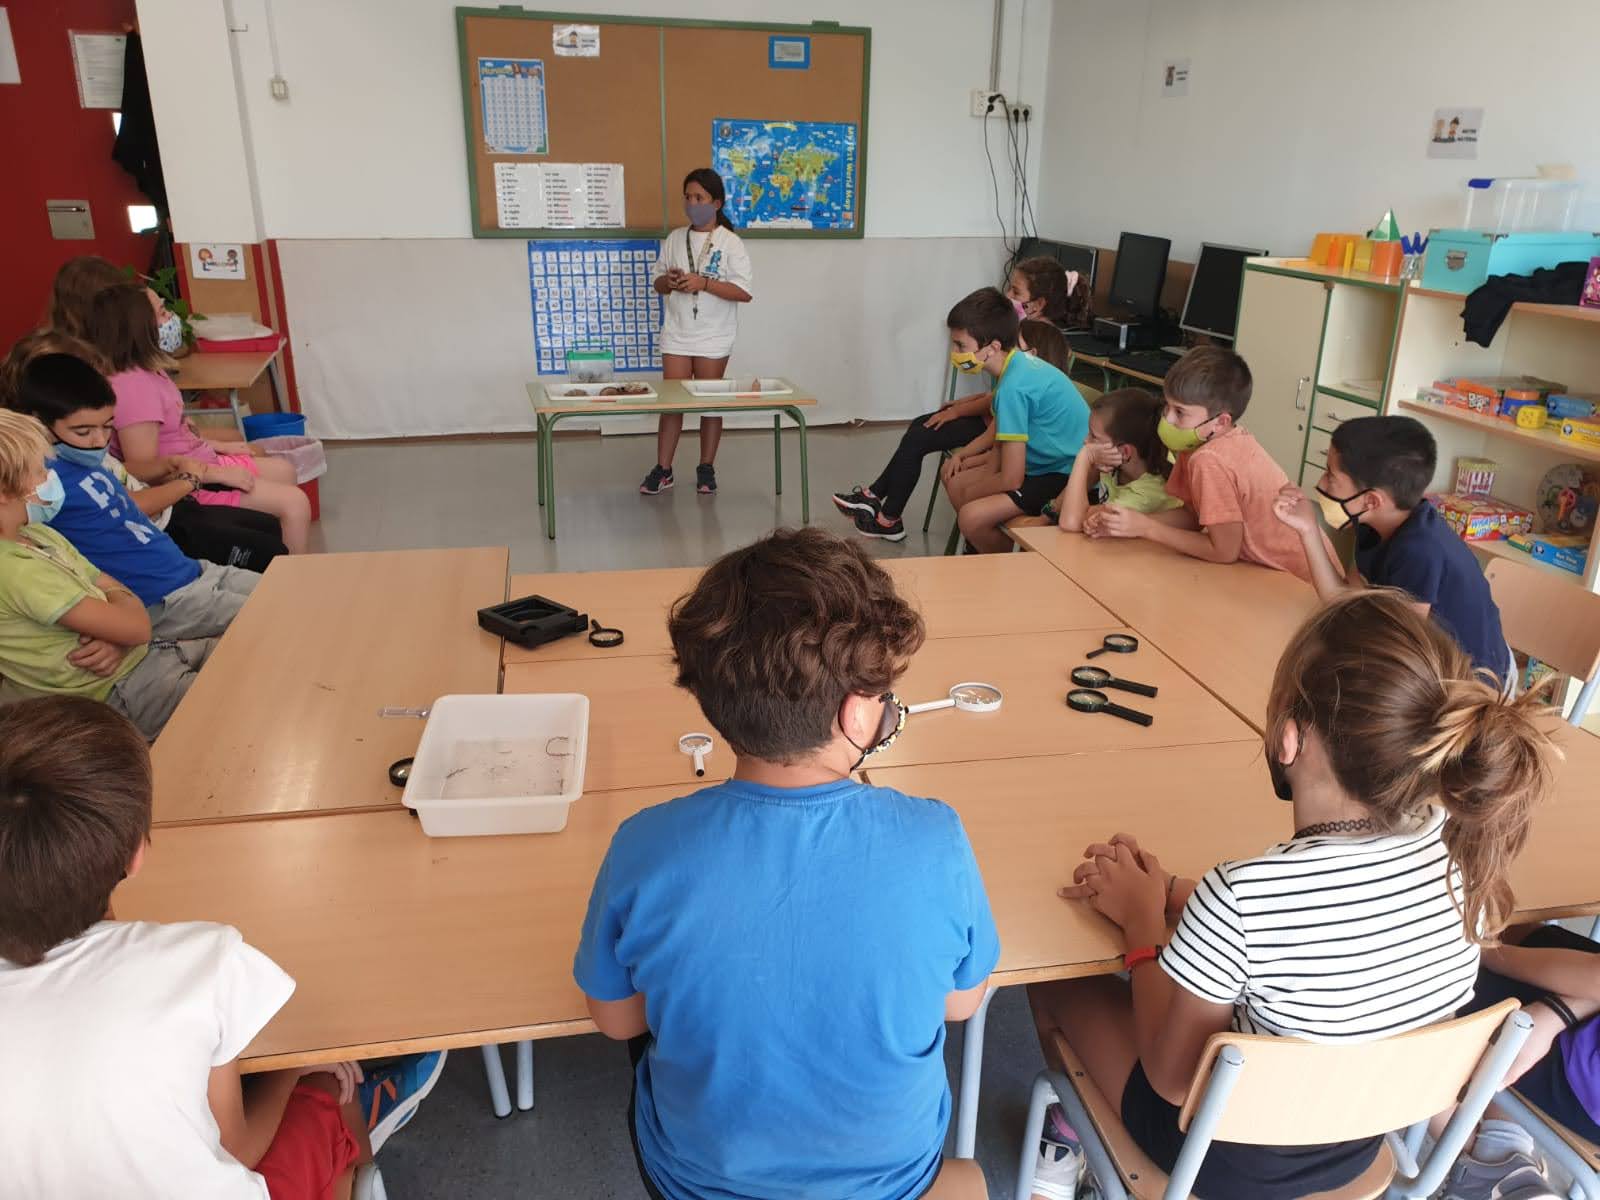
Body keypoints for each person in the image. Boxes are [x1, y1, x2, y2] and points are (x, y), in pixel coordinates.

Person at [1024, 590, 1555, 1200]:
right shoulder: (1463, 853)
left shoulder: (1240, 897)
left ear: (1289, 740)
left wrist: (1142, 927)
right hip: (1360, 1137)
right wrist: (1172, 893)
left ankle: (1066, 1143)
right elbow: (1329, 920)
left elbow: (1171, 1080)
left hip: (1222, 1158)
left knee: (1058, 976)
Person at [573, 527, 999, 1200]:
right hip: (892, 1184)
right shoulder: (935, 837)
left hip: (696, 1183)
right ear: (857, 715)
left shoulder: (643, 844)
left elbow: (617, 1021)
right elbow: (961, 1002)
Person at [0, 695, 447, 1198]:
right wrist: (291, 1070)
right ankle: (362, 1153)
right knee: (327, 1077)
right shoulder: (204, 961)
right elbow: (237, 1148)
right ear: (136, 854)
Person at [13, 353, 260, 641]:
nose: (100, 441)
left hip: (191, 571)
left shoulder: (86, 460)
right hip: (163, 601)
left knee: (287, 592)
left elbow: (127, 506)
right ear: (39, 423)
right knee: (277, 616)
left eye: (107, 426)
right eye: (83, 431)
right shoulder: (40, 482)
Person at [1, 330, 287, 572]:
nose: (99, 439)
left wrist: (170, 464)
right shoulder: (54, 462)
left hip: (166, 515)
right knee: (269, 551)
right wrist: (188, 481)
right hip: (156, 530)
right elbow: (128, 505)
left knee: (268, 529)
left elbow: (122, 471)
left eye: (106, 427)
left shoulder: (81, 439)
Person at [0, 410, 208, 739]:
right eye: (40, 470)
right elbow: (136, 625)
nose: (51, 476)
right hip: (119, 691)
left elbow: (114, 594)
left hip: (142, 656)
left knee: (252, 653)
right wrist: (122, 621)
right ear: (4, 491)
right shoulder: (16, 571)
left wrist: (120, 630)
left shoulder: (38, 533)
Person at [1273, 415, 1509, 684]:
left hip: (1473, 685)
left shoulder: (1420, 552)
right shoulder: (1372, 523)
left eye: (1331, 476)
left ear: (1371, 501)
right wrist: (1308, 529)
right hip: (1421, 663)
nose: (1321, 483)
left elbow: (1399, 650)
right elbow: (1342, 600)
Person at [83, 283, 312, 554]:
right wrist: (216, 473)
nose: (171, 318)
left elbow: (175, 435)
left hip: (199, 466)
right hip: (187, 486)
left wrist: (217, 448)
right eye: (162, 312)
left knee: (284, 471)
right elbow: (145, 470)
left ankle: (271, 546)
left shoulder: (147, 371)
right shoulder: (134, 387)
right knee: (295, 504)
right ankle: (286, 571)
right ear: (139, 328)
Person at [1084, 347, 1335, 583]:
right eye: (1167, 406)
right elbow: (1193, 517)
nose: (1167, 418)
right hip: (1275, 574)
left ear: (1220, 422)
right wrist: (1131, 522)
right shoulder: (1199, 444)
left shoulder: (1210, 459)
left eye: (1180, 412)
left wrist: (1147, 528)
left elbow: (1224, 551)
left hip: (1298, 582)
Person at [834, 317, 1071, 542]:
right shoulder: (1019, 374)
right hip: (997, 432)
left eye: (960, 345)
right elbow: (993, 402)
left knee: (920, 437)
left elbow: (1001, 443)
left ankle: (887, 516)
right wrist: (959, 409)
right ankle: (876, 499)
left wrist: (960, 423)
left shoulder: (1021, 381)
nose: (955, 352)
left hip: (1001, 438)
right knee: (919, 428)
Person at [1442, 926, 1600, 1199]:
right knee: (1530, 937)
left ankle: (1490, 1166)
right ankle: (1496, 1164)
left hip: (1583, 1069)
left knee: (1440, 988)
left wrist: (1493, 956)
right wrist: (1559, 1012)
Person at [939, 289, 1089, 552]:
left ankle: (1005, 563)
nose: (955, 353)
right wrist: (972, 482)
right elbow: (1000, 445)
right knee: (956, 481)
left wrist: (970, 495)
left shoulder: (1013, 387)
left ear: (993, 348)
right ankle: (981, 549)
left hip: (1064, 474)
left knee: (971, 515)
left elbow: (1011, 479)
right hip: (1042, 464)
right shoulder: (1015, 365)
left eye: (961, 346)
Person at [639, 168, 754, 498]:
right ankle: (663, 469)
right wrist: (671, 281)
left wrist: (704, 283)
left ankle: (706, 467)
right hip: (677, 333)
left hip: (714, 336)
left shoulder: (730, 242)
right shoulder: (675, 238)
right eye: (688, 197)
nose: (692, 204)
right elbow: (658, 283)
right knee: (672, 403)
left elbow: (743, 292)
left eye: (699, 198)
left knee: (710, 403)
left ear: (716, 203)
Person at [1050, 388, 1179, 530]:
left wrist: (1084, 457)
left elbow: (1072, 523)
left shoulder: (1145, 495)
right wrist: (1048, 515)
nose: (1086, 441)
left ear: (1124, 452)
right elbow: (1091, 475)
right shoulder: (1126, 458)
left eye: (1094, 437)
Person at [1006, 254, 1091, 330]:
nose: (1007, 295)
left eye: (1016, 292)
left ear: (1039, 303)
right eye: (1009, 288)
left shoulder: (1030, 340)